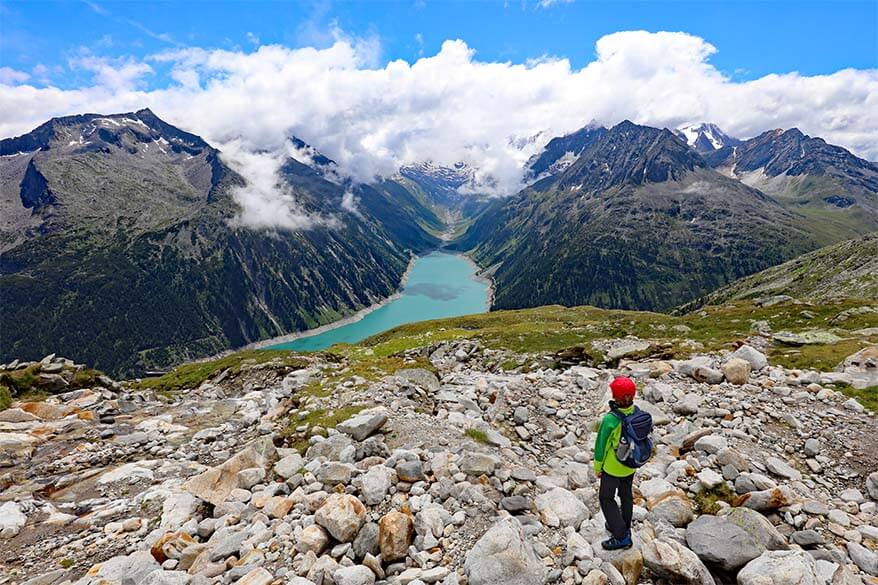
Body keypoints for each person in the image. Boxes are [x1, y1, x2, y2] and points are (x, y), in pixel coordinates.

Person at [594, 376, 637, 550]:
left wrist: (598, 467)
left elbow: (601, 446)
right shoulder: (637, 412)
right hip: (631, 464)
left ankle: (621, 536)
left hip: (612, 467)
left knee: (606, 498)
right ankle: (623, 526)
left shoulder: (610, 420)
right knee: (626, 495)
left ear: (615, 396)